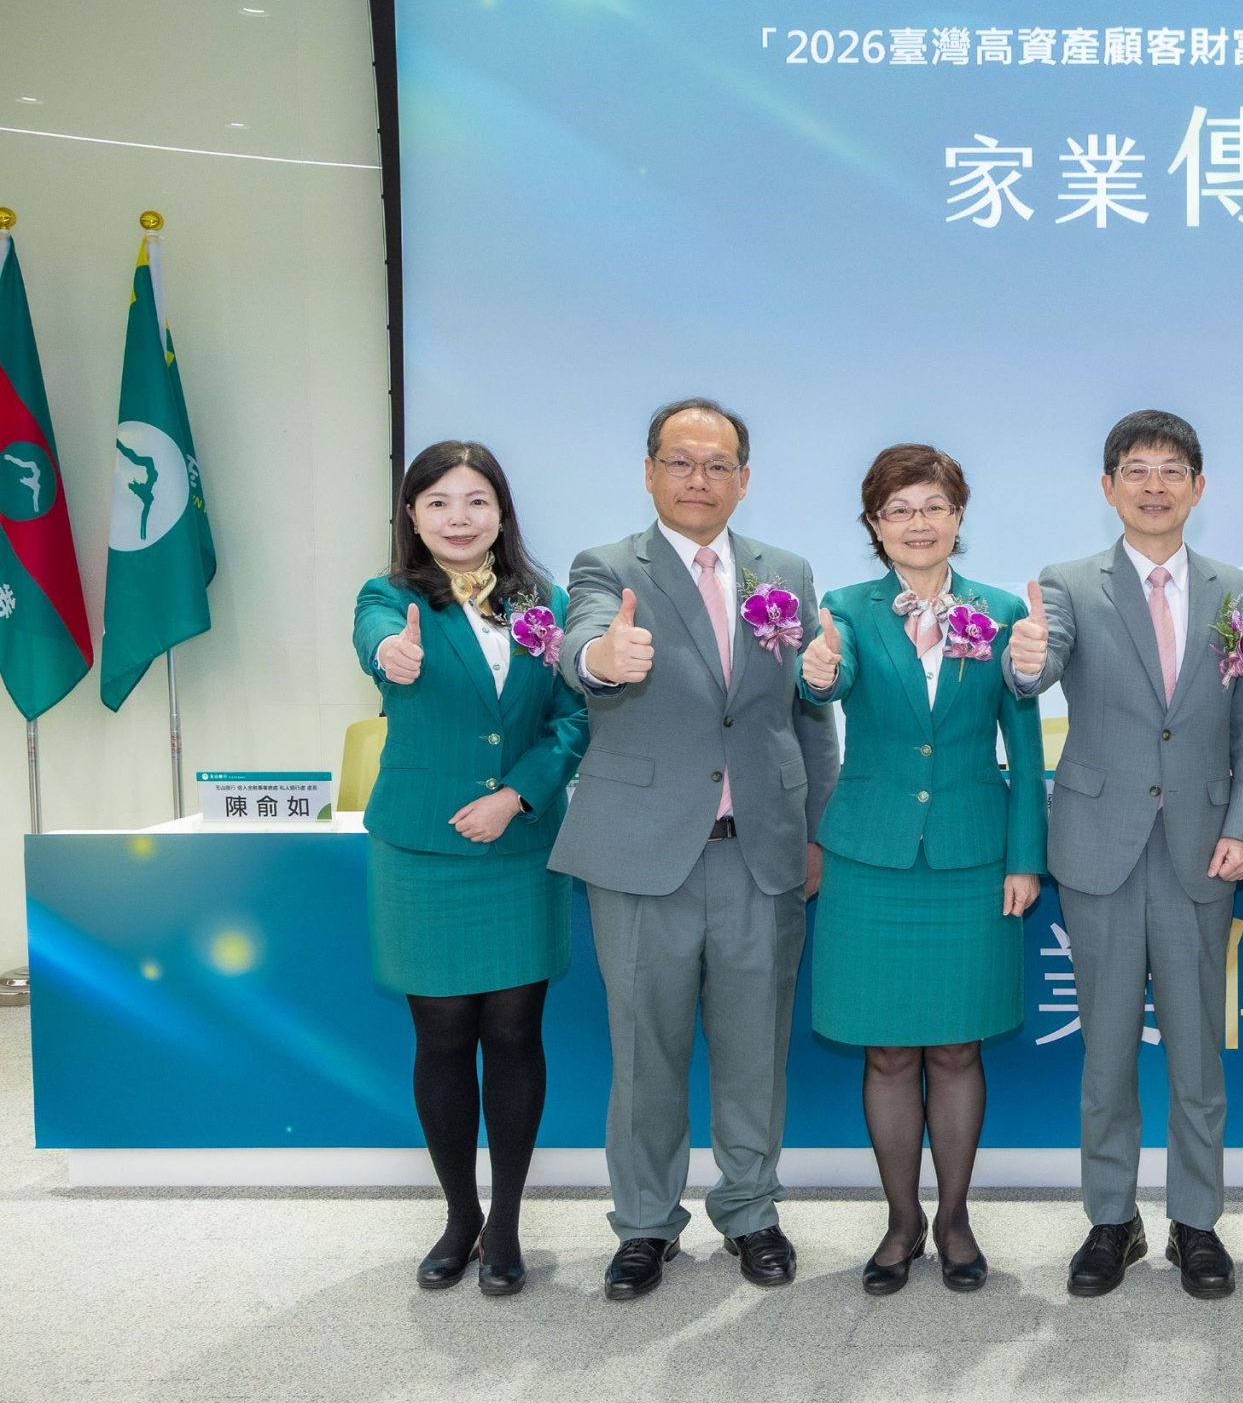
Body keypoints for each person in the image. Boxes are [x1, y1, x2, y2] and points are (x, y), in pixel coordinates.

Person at [549, 398, 840, 1302]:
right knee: (646, 1052)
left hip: (762, 851)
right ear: (649, 472)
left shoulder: (785, 572)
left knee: (756, 1050)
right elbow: (582, 641)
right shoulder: (609, 566)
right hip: (643, 856)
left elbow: (809, 711)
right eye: (680, 461)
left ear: (744, 479)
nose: (698, 479)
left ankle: (751, 1210)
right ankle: (645, 1222)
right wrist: (602, 659)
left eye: (718, 465)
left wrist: (817, 828)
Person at [1005, 409, 1243, 1300]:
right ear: (1108, 485)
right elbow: (1039, 666)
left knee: (1198, 1057)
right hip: (1100, 848)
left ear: (1198, 487)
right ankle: (1111, 1220)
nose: (1154, 485)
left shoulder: (1238, 592)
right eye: (1136, 469)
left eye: (1170, 470)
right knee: (1107, 1053)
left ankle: (1197, 1223)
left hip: (1203, 849)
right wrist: (1025, 659)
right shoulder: (1067, 584)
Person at [796, 444, 1045, 1294]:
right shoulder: (845, 609)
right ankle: (902, 1221)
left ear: (958, 515)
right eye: (898, 509)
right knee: (890, 1053)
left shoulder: (1002, 611)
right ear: (875, 524)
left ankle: (955, 1217)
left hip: (973, 856)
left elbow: (1024, 746)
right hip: (872, 858)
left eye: (934, 505)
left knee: (958, 1047)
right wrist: (816, 672)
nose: (918, 522)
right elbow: (829, 683)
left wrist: (1025, 857)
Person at [355, 441, 589, 1297]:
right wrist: (393, 655)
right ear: (413, 515)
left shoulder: (544, 602)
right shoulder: (388, 598)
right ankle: (460, 1215)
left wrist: (518, 795)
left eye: (476, 500)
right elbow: (377, 642)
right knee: (443, 1036)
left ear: (501, 512)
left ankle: (510, 1222)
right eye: (439, 502)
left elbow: (573, 718)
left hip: (517, 848)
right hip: (425, 850)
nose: (459, 517)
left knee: (516, 1034)